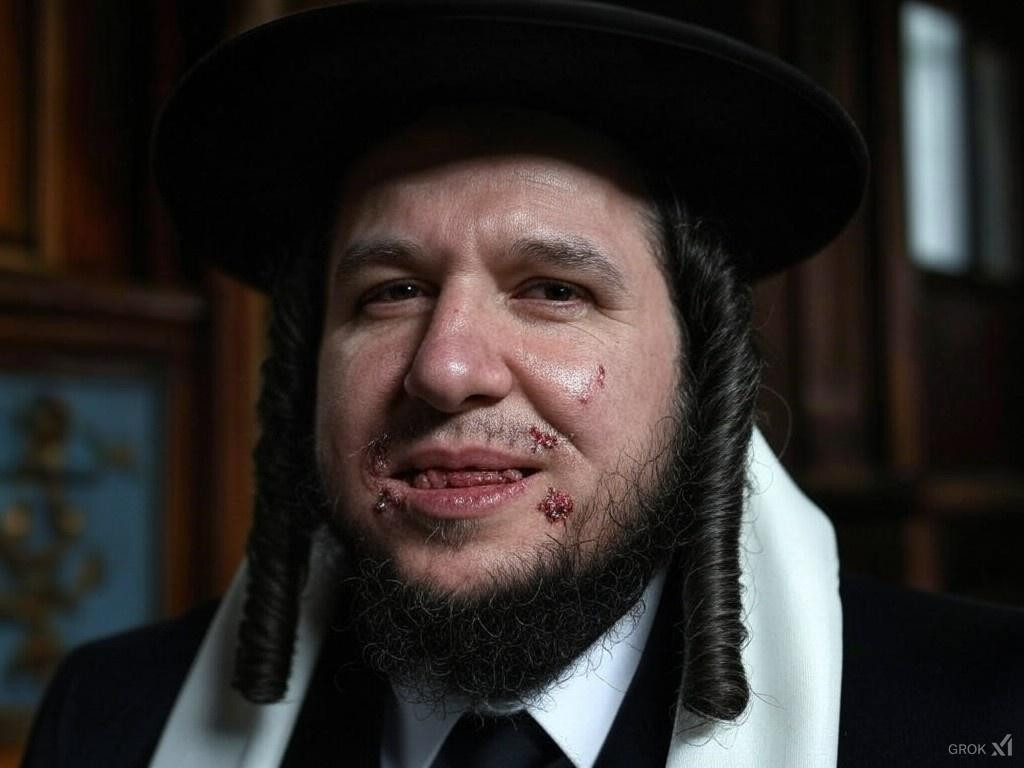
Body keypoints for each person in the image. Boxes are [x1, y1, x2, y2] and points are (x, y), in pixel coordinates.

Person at [22, 2, 1024, 767]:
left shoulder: (979, 717)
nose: (446, 368)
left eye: (553, 290)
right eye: (391, 292)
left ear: (699, 368)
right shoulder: (111, 725)